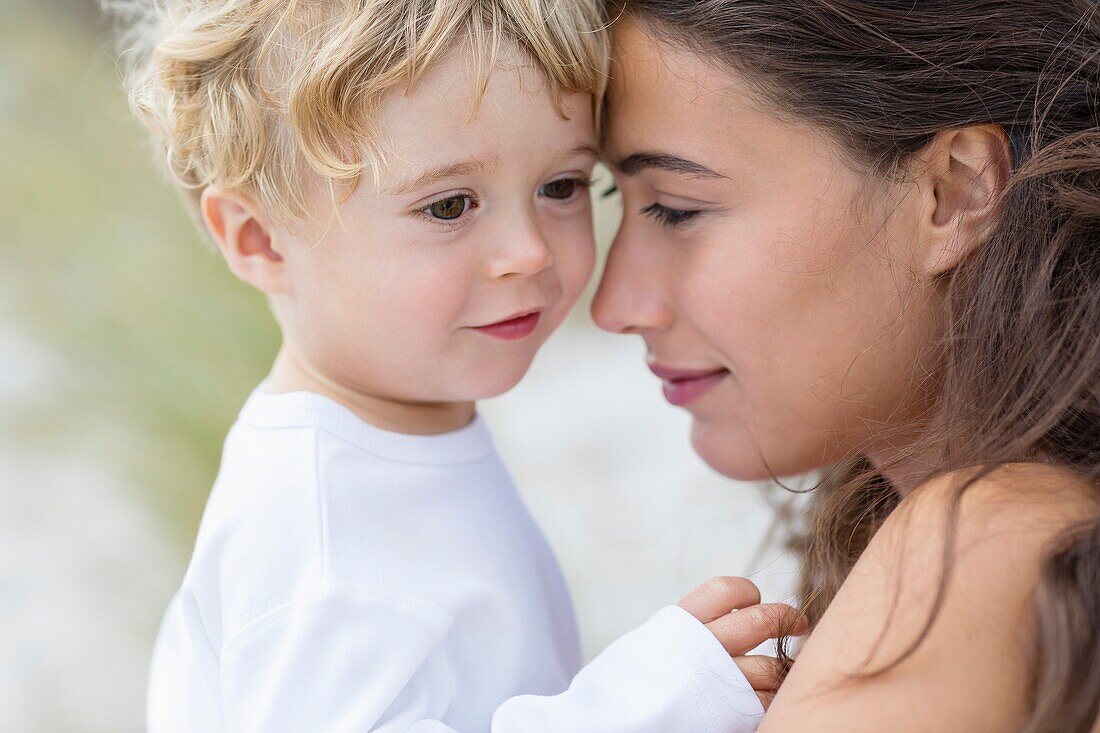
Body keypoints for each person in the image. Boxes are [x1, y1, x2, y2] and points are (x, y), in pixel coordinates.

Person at [106, 0, 800, 730]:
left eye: (560, 186)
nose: (529, 250)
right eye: (449, 206)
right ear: (262, 241)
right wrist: (641, 703)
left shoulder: (393, 445)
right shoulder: (313, 533)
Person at [593, 1, 1099, 731]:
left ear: (954, 191)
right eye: (618, 197)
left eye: (676, 207)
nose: (615, 304)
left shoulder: (988, 542)